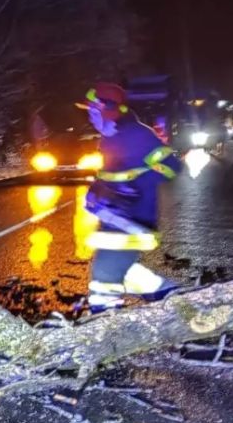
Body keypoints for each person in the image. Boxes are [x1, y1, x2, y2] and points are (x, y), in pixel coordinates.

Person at [78, 82, 182, 313]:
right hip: (114, 218)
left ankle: (106, 328)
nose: (90, 117)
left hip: (133, 219)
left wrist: (134, 187)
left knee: (105, 277)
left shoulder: (137, 135)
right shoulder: (109, 138)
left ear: (109, 110)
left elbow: (172, 166)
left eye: (93, 112)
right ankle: (174, 299)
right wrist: (99, 191)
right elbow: (113, 174)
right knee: (121, 269)